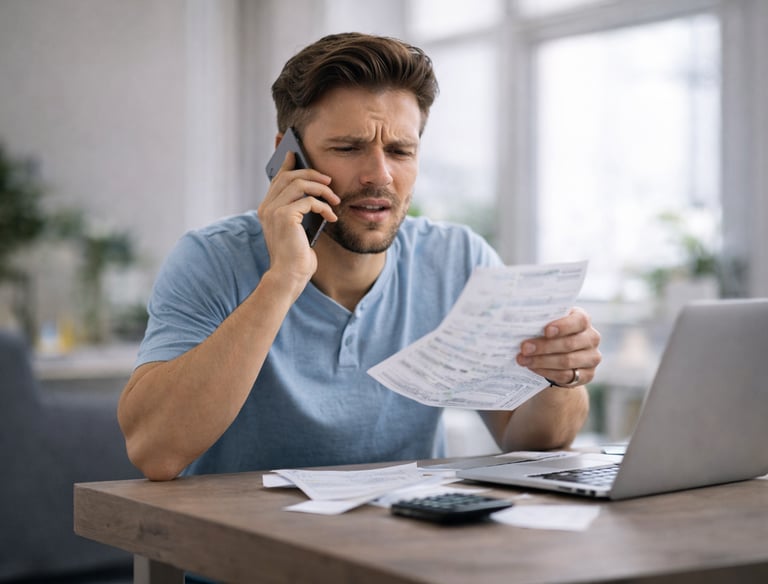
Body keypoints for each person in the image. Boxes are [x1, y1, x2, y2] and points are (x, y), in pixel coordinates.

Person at [117, 32, 602, 482]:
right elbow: (155, 452)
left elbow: (533, 439)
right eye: (349, 147)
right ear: (287, 157)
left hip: (402, 553)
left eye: (400, 150)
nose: (380, 175)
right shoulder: (212, 259)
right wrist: (284, 278)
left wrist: (561, 376)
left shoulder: (458, 259)